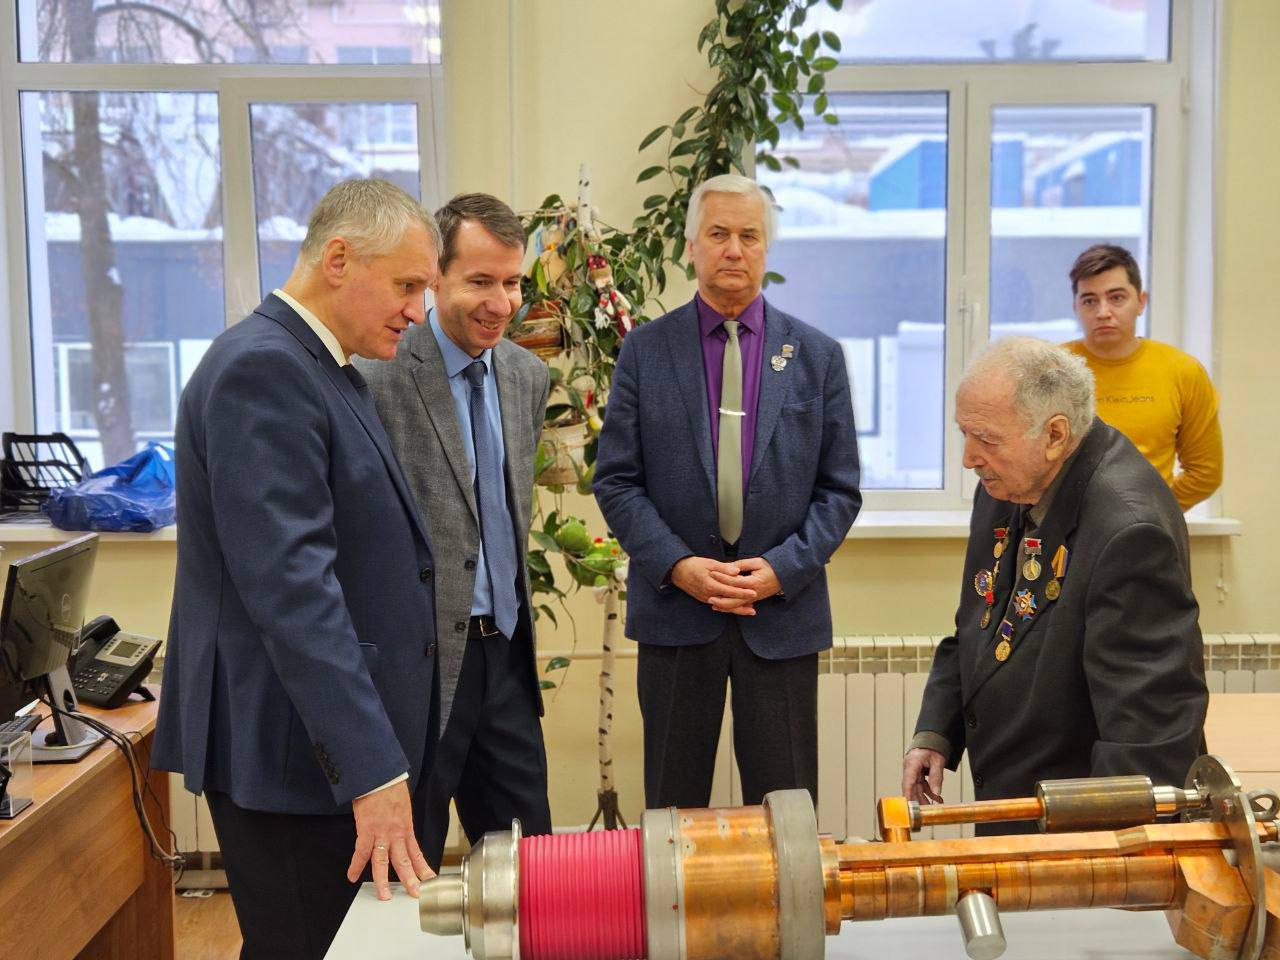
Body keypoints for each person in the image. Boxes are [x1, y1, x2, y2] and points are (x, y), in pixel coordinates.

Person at [153, 178, 442, 958]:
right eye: (409, 284)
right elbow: (292, 592)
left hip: (311, 750)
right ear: (340, 258)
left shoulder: (322, 364)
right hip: (292, 755)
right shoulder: (265, 369)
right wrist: (374, 771)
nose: (419, 311)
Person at [593, 173, 862, 809]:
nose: (733, 249)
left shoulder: (817, 356)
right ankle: (675, 913)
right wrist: (679, 566)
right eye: (718, 234)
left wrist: (780, 569)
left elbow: (840, 491)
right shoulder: (645, 351)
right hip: (676, 614)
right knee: (672, 806)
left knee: (787, 809)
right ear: (691, 246)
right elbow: (617, 480)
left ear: (766, 248)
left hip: (782, 615)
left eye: (748, 235)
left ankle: (787, 914)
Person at [902, 337, 1207, 834]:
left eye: (986, 438)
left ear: (1055, 435)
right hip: (1014, 802)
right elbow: (978, 623)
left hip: (1073, 828)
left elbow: (1146, 742)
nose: (969, 459)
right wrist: (935, 732)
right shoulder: (1009, 481)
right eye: (964, 434)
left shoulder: (1130, 532)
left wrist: (1084, 872)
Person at [358, 193, 552, 870]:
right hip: (419, 668)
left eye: (512, 282)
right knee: (408, 870)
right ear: (435, 278)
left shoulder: (529, 376)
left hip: (506, 658)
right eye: (480, 282)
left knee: (535, 871)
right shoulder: (377, 374)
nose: (502, 303)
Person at [1064, 243, 1223, 510]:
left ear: (1141, 302)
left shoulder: (1182, 371)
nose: (1103, 312)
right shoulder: (1053, 369)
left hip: (1149, 532)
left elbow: (1206, 472)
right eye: (1089, 300)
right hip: (1064, 533)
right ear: (1076, 307)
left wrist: (1155, 512)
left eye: (1116, 298)